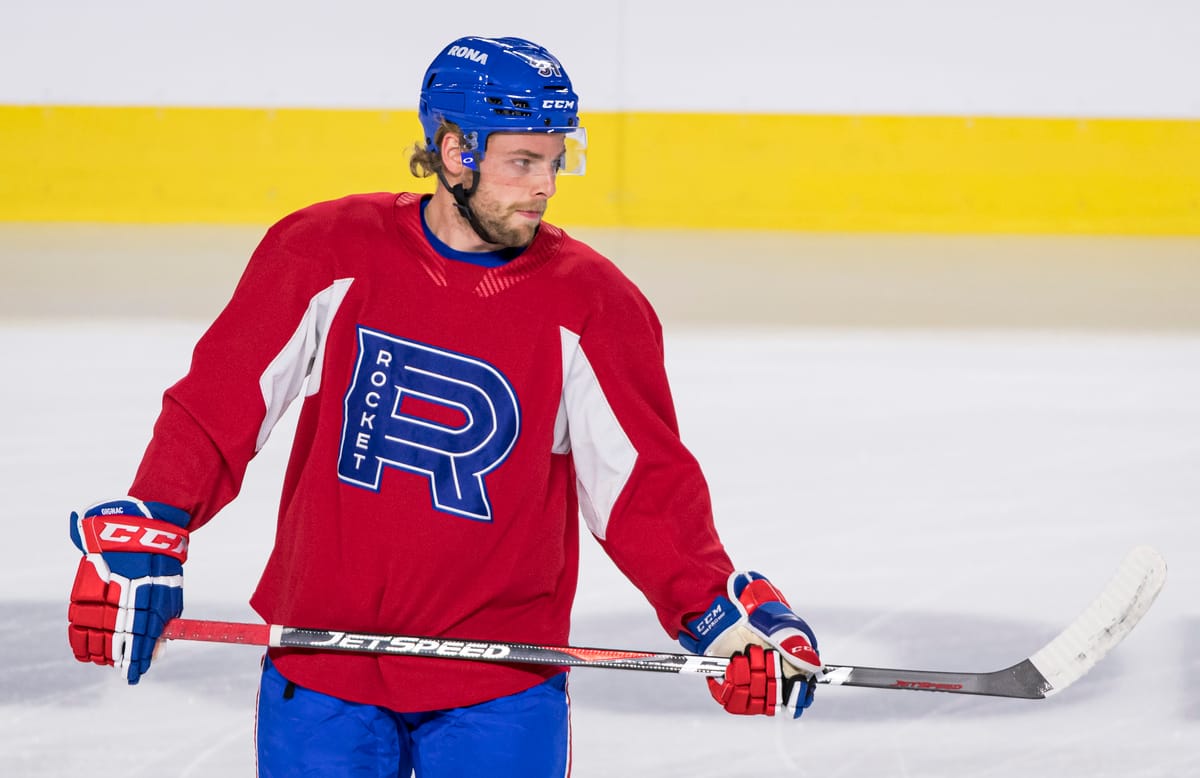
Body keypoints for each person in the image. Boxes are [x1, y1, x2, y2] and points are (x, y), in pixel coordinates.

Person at [66, 35, 821, 777]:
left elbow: (642, 491)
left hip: (500, 687)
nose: (545, 186)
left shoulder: (595, 306)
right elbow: (220, 403)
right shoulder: (327, 250)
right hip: (324, 666)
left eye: (555, 161)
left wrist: (724, 620)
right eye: (522, 161)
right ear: (456, 151)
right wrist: (152, 528)